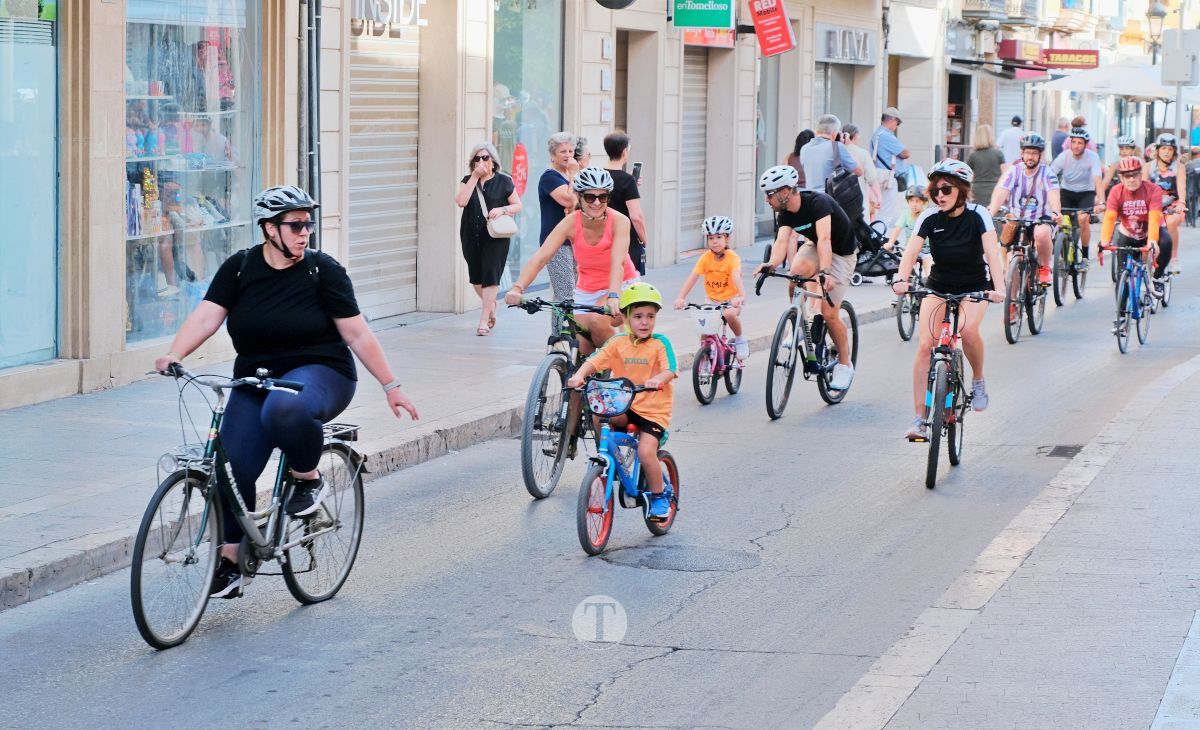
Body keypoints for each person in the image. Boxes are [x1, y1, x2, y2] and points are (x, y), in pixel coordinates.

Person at [154, 185, 419, 599]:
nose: (305, 232)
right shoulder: (240, 269)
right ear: (269, 229)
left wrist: (392, 385)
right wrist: (174, 353)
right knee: (230, 465)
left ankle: (307, 480)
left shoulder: (322, 271)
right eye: (296, 224)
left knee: (284, 409)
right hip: (256, 378)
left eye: (308, 224)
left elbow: (356, 332)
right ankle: (230, 560)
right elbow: (207, 315)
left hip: (321, 372)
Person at [891, 160, 1004, 441]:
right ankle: (919, 419)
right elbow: (911, 251)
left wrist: (998, 288)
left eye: (946, 189)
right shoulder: (929, 217)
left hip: (975, 287)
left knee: (966, 330)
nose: (939, 195)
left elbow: (992, 252)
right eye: (935, 190)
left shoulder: (978, 215)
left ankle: (978, 379)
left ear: (962, 191)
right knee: (926, 345)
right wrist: (900, 279)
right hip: (939, 285)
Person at [566, 283, 677, 520]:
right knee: (599, 415)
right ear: (626, 318)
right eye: (637, 316)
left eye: (650, 316)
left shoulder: (660, 343)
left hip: (652, 410)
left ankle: (659, 497)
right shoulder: (617, 343)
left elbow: (670, 369)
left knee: (647, 452)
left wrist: (657, 379)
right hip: (625, 404)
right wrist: (579, 375)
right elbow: (596, 360)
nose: (644, 322)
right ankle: (607, 457)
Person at [505, 167, 639, 354]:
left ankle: (621, 367)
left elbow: (618, 262)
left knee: (597, 321)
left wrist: (613, 296)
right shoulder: (570, 222)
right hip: (586, 291)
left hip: (621, 286)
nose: (597, 203)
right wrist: (517, 288)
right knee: (582, 345)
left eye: (603, 197)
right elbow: (542, 256)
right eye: (590, 197)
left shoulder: (620, 221)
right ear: (580, 197)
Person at [753, 165, 857, 391]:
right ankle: (799, 321)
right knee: (796, 274)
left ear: (784, 192)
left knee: (829, 313)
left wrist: (826, 272)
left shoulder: (819, 203)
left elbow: (825, 239)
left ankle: (845, 365)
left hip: (841, 253)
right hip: (815, 246)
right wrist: (770, 263)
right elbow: (781, 243)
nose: (767, 199)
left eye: (769, 194)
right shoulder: (785, 213)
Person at [455, 141, 523, 336]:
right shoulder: (468, 179)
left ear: (493, 161)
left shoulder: (504, 181)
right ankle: (491, 307)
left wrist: (502, 209)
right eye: (477, 158)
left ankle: (483, 321)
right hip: (470, 235)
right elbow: (461, 201)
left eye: (485, 157)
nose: (482, 161)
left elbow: (517, 205)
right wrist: (475, 176)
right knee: (476, 277)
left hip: (495, 238)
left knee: (491, 276)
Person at [989, 132, 1061, 286]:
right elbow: (1002, 191)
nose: (1030, 156)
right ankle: (1013, 303)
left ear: (1040, 155)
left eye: (1034, 153)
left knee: (1041, 234)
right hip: (1017, 220)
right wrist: (990, 213)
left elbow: (1054, 193)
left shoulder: (1047, 173)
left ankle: (1044, 268)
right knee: (1012, 262)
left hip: (1040, 218)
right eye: (1028, 152)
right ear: (1022, 153)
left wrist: (1056, 212)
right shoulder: (1014, 171)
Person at [673, 216, 749, 360]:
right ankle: (705, 359)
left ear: (727, 238)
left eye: (719, 237)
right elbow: (692, 277)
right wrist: (681, 297)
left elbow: (736, 276)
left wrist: (741, 296)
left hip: (731, 299)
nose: (715, 241)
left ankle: (740, 340)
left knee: (729, 315)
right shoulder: (705, 258)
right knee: (705, 326)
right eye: (711, 238)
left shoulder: (733, 258)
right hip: (712, 299)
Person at [1099, 155, 1171, 289]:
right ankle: (1122, 309)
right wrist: (1104, 240)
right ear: (1121, 178)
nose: (1131, 179)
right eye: (1127, 176)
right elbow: (1109, 218)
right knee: (1122, 277)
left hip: (1151, 230)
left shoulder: (1153, 189)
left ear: (1141, 175)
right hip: (1128, 233)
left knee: (1166, 241)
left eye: (1135, 175)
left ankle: (1158, 278)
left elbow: (1154, 217)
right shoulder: (1116, 191)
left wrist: (1153, 240)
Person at [1049, 127, 1102, 264]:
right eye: (1074, 142)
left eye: (1080, 143)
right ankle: (1062, 253)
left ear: (1085, 144)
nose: (1076, 146)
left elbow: (1097, 179)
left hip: (1086, 193)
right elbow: (1049, 175)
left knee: (1083, 219)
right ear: (1070, 143)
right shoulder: (1064, 156)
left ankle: (1084, 256)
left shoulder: (1092, 157)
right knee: (1062, 220)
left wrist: (1101, 201)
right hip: (1066, 192)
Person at [538, 131, 580, 301]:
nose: (568, 155)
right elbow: (569, 201)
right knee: (564, 294)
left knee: (577, 291)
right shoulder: (549, 177)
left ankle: (575, 328)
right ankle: (560, 329)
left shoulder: (568, 176)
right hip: (556, 242)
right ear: (552, 154)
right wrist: (574, 175)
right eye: (563, 151)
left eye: (570, 151)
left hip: (575, 239)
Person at [604, 131, 650, 275]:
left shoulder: (600, 176)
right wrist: (644, 239)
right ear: (624, 151)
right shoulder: (627, 180)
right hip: (625, 238)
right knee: (629, 283)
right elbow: (636, 216)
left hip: (604, 236)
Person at [1145, 133, 1188, 274]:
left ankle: (1174, 259)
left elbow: (1181, 187)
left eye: (1170, 149)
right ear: (1157, 150)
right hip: (1153, 206)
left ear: (1174, 151)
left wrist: (1181, 202)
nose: (1166, 152)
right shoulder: (1148, 167)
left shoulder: (1179, 168)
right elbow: (1143, 188)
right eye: (1163, 148)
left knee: (1170, 222)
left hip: (1173, 205)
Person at [870, 107, 911, 227]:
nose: (896, 126)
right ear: (892, 120)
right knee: (887, 212)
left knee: (880, 210)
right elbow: (906, 153)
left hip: (879, 175)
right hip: (888, 178)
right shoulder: (886, 135)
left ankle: (878, 237)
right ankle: (880, 239)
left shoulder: (877, 134)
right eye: (897, 123)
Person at [799, 114, 861, 192]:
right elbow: (858, 171)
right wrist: (849, 147)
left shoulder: (804, 149)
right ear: (835, 132)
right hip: (829, 199)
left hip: (810, 198)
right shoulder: (837, 147)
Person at [843, 124, 882, 223]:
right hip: (859, 203)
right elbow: (872, 179)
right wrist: (878, 196)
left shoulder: (835, 151)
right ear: (855, 136)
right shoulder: (862, 153)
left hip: (839, 203)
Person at [966, 123, 1006, 205]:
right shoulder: (998, 154)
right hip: (995, 190)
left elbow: (968, 176)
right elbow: (1005, 175)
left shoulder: (973, 156)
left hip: (977, 191)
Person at [884, 186, 929, 253]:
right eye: (911, 201)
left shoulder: (927, 215)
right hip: (910, 248)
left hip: (926, 249)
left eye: (917, 201)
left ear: (923, 202)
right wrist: (890, 243)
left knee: (929, 263)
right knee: (902, 262)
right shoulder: (906, 214)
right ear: (908, 202)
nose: (914, 204)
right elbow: (897, 229)